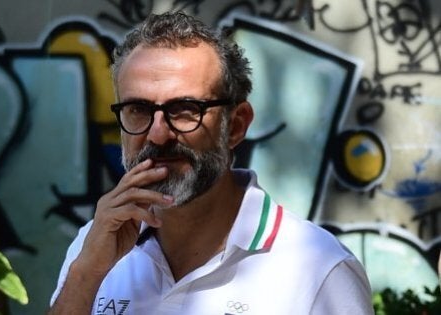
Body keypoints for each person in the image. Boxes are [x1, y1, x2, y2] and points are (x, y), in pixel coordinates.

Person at [48, 11, 373, 315]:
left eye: (184, 109)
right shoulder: (94, 246)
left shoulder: (318, 269)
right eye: (138, 109)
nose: (157, 135)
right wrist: (85, 275)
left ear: (235, 125)